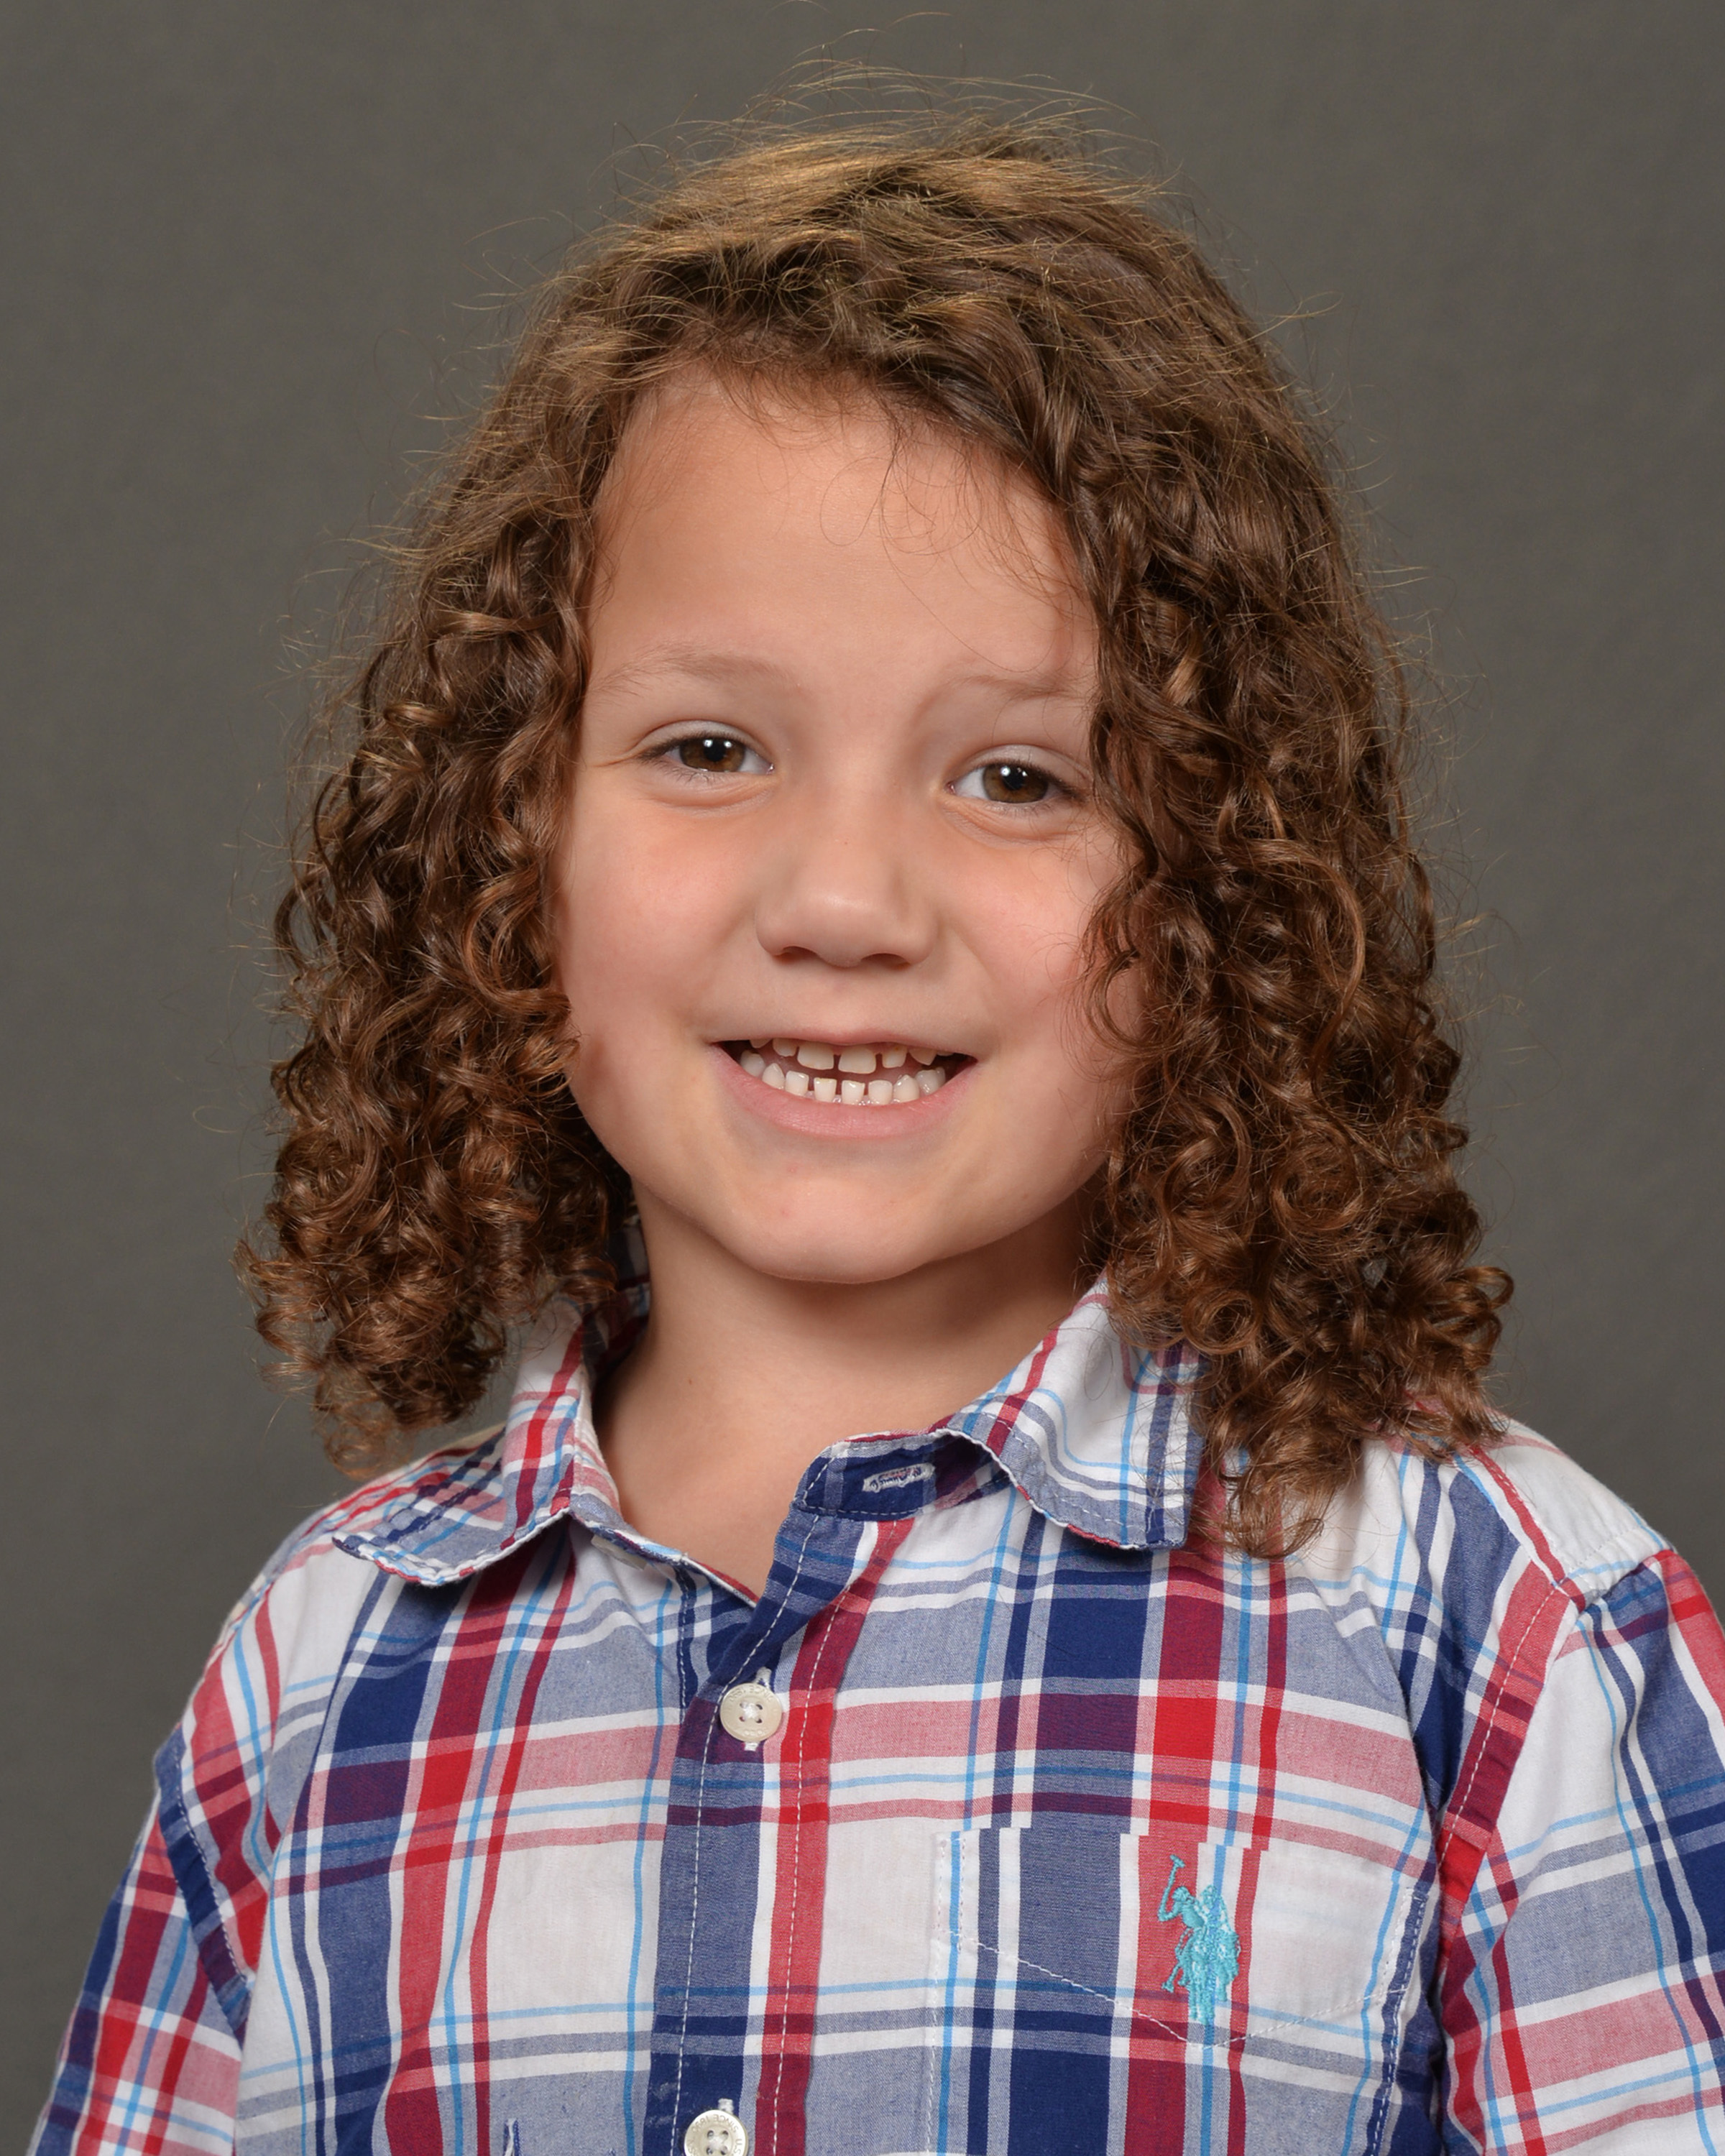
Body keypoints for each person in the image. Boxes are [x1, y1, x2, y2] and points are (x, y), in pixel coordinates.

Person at [34, 111, 1725, 2156]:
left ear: (1223, 882)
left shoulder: (1504, 1640)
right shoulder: (316, 1677)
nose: (844, 902)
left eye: (1018, 777)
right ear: (511, 839)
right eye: (710, 747)